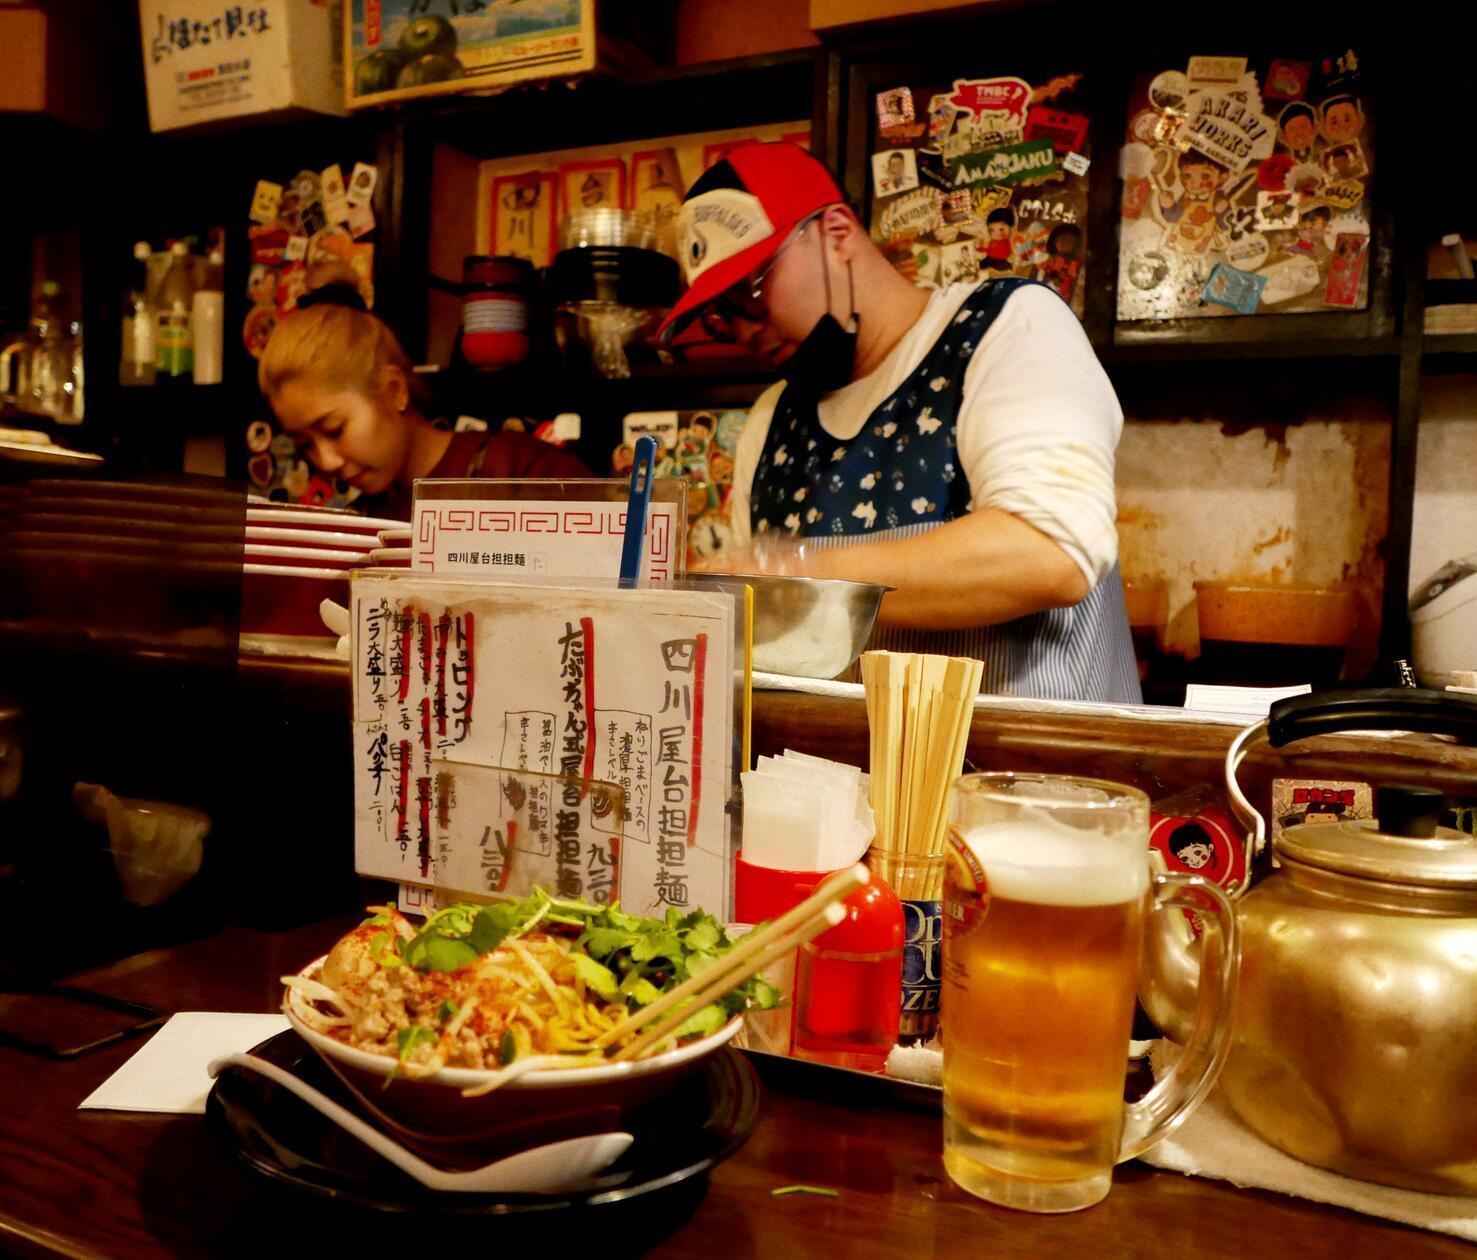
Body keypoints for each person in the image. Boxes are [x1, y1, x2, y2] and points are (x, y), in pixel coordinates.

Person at [660, 142, 1138, 703]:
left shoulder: (1006, 327)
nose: (743, 331)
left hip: (1029, 777)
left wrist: (791, 573)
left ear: (835, 234)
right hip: (850, 781)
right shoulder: (770, 421)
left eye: (751, 293)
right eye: (719, 318)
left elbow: (1049, 554)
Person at [258, 267, 588, 517]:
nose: (326, 461)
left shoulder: (522, 472)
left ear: (394, 390)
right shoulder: (366, 523)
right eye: (306, 445)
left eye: (334, 429)